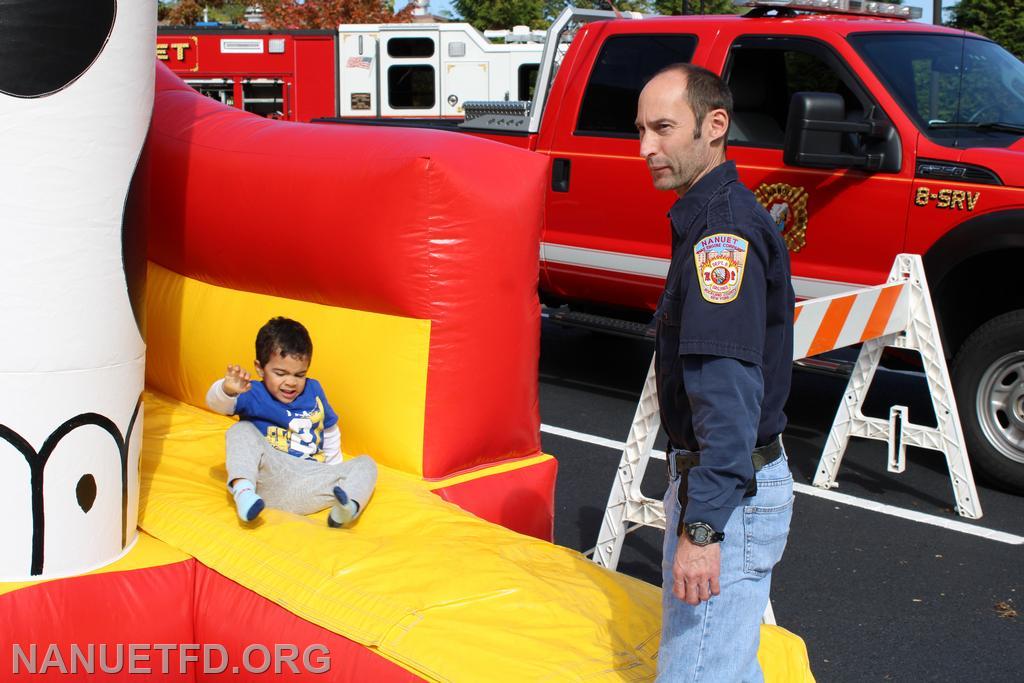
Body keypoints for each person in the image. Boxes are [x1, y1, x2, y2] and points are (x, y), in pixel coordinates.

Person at [635, 63, 796, 681]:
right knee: (723, 666)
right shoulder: (710, 216)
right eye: (641, 129)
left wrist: (702, 529)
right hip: (727, 484)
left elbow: (727, 393)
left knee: (698, 672)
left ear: (715, 126)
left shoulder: (720, 231)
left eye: (664, 128)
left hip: (727, 493)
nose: (646, 147)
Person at [205, 316, 377, 527]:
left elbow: (329, 429)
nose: (290, 382)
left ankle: (346, 508)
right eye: (280, 373)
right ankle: (243, 492)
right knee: (241, 430)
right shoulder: (253, 392)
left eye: (300, 374)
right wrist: (227, 389)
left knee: (366, 464)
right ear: (260, 368)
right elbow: (216, 404)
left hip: (308, 483)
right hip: (268, 479)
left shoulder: (314, 391)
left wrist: (332, 470)